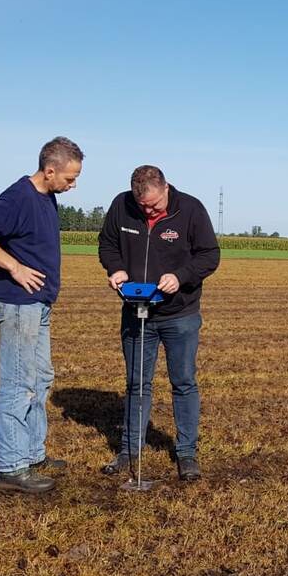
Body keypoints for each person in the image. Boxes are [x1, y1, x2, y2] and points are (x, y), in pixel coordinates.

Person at [0, 136, 84, 494]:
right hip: (17, 304)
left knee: (41, 377)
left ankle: (32, 453)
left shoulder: (47, 197)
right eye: (70, 178)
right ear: (49, 171)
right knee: (19, 382)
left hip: (38, 304)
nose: (73, 185)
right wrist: (14, 267)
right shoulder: (19, 197)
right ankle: (12, 467)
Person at [97, 165, 220, 481]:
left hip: (180, 315)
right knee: (137, 384)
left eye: (153, 205)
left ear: (165, 188)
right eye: (143, 207)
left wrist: (180, 277)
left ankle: (187, 453)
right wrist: (116, 269)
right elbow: (107, 244)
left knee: (184, 382)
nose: (148, 210)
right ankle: (129, 450)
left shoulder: (190, 209)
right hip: (137, 313)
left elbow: (209, 256)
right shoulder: (121, 205)